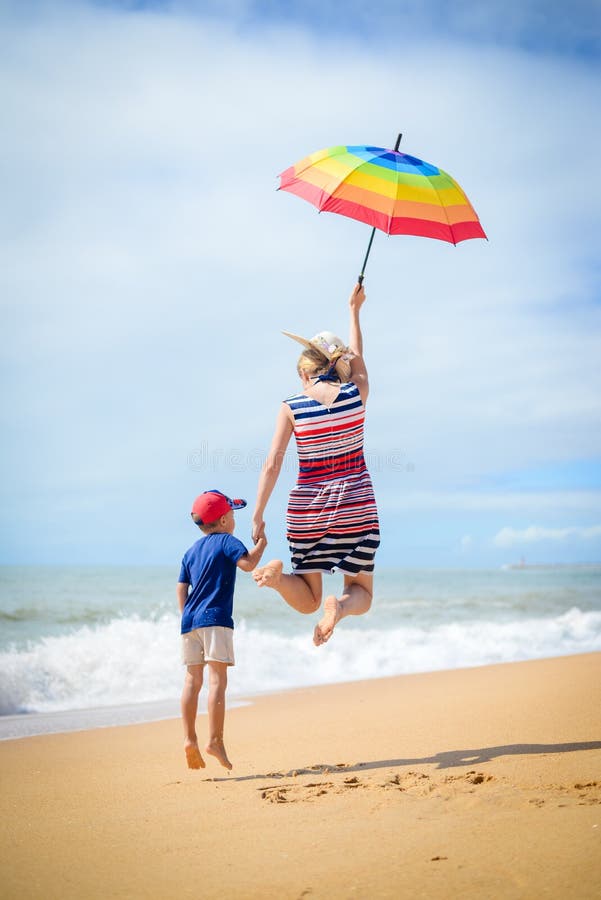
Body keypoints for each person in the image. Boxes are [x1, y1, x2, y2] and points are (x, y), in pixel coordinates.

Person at [251, 283, 379, 647]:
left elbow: (271, 464)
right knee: (361, 595)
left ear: (306, 373)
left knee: (307, 598)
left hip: (308, 510)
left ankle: (277, 579)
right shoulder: (357, 393)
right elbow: (357, 358)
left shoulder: (291, 406)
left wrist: (258, 515)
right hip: (356, 506)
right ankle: (338, 607)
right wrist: (354, 311)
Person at [177, 489, 267, 771]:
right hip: (215, 618)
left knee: (192, 681)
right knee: (217, 681)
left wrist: (186, 616)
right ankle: (215, 740)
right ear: (225, 519)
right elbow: (248, 564)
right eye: (232, 514)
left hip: (190, 621)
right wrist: (261, 544)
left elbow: (182, 587)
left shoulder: (191, 551)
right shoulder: (228, 542)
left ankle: (189, 738)